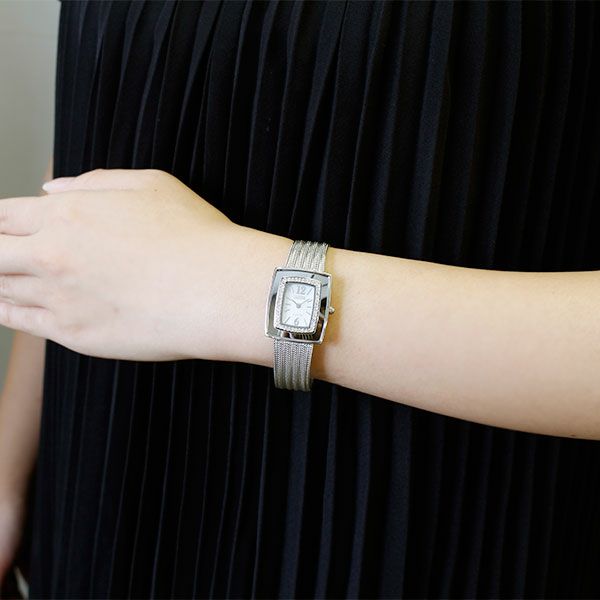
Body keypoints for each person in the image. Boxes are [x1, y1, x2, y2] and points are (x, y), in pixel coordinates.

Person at [1, 0, 600, 597]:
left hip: (425, 523)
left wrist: (227, 286)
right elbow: (106, 125)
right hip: (109, 491)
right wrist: (8, 468)